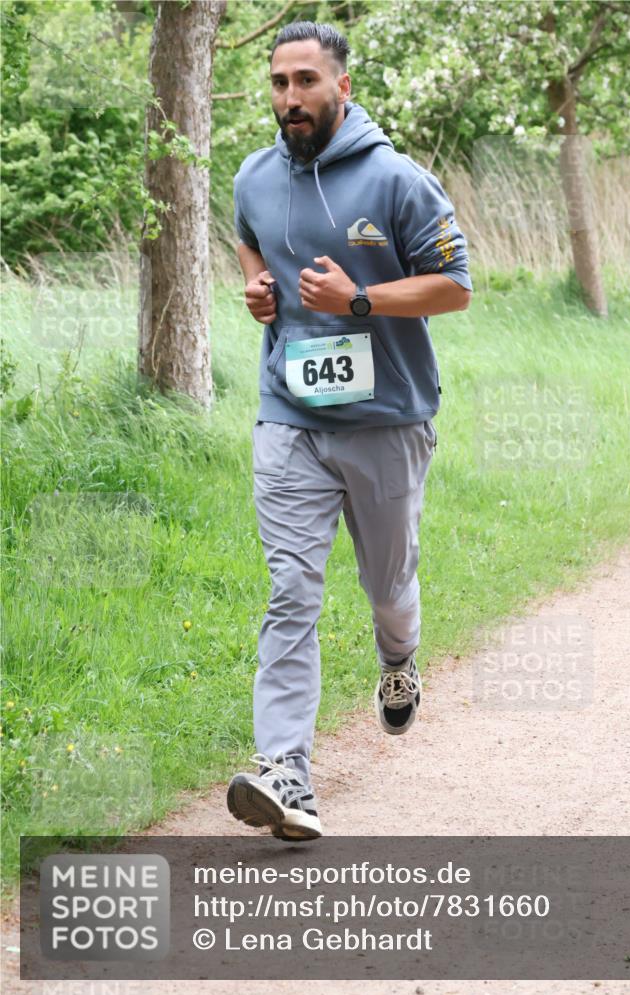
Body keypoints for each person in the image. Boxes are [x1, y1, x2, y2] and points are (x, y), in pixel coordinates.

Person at [226, 21, 472, 841]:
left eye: (305, 81)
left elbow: (454, 286)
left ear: (342, 87)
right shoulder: (254, 175)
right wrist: (259, 289)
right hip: (288, 414)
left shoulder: (396, 179)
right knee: (290, 590)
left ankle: (398, 662)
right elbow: (249, 240)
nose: (289, 97)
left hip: (387, 418)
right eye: (278, 82)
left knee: (386, 587)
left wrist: (359, 300)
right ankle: (285, 771)